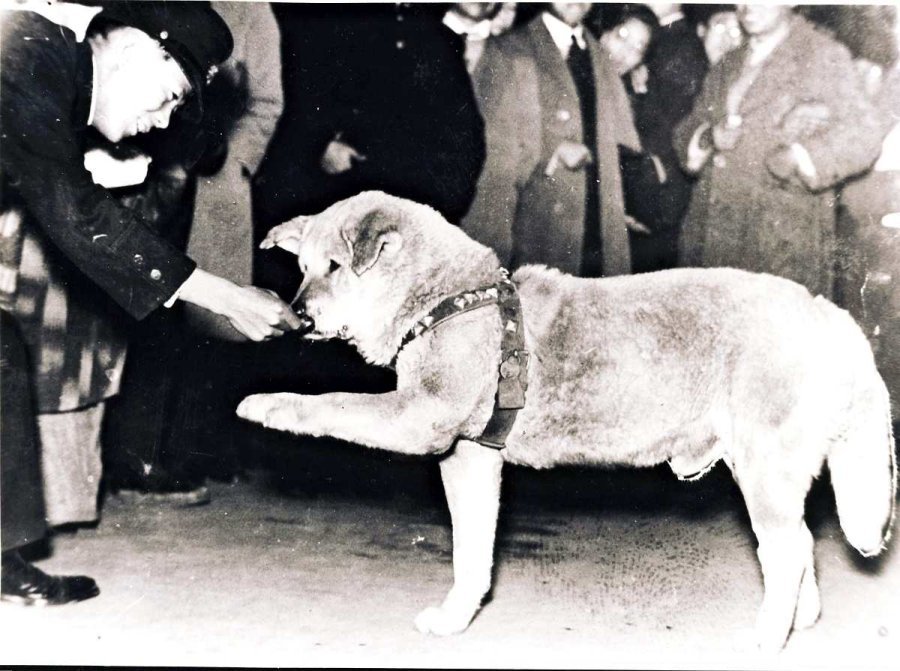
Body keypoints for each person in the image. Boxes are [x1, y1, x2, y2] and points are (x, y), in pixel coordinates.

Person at [0, 1, 300, 604]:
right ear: (135, 50)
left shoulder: (52, 70)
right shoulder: (23, 52)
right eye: (166, 96)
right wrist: (222, 295)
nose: (163, 122)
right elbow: (76, 211)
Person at [103, 1, 286, 499]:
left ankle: (176, 456)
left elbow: (267, 101)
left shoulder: (252, 12)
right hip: (140, 169)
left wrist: (236, 159)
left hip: (210, 184)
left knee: (202, 328)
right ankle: (129, 458)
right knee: (137, 317)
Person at [673, 4, 883, 299]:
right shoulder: (729, 62)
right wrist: (709, 137)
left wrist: (800, 156)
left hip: (779, 244)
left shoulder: (822, 54)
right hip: (711, 239)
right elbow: (688, 129)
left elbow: (864, 134)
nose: (747, 7)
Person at [461, 2, 641, 277]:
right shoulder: (511, 50)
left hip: (596, 246)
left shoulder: (599, 57)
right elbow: (493, 170)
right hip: (536, 244)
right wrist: (487, 266)